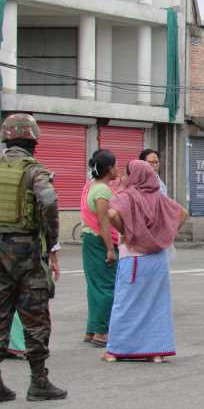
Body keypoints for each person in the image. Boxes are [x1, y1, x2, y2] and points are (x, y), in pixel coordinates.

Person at [0, 114, 67, 401]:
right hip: (26, 251)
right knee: (35, 315)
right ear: (33, 140)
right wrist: (51, 242)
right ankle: (38, 382)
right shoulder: (34, 171)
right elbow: (49, 201)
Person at [103, 160, 188, 363]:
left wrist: (126, 230)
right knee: (156, 306)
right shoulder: (158, 197)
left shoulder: (128, 196)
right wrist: (166, 234)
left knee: (125, 304)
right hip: (158, 260)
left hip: (133, 259)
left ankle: (116, 350)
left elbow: (112, 213)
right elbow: (182, 213)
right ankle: (156, 351)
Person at [81, 149, 120, 348]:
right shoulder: (103, 191)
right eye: (115, 165)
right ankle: (102, 332)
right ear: (108, 169)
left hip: (88, 239)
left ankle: (91, 329)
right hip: (99, 241)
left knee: (94, 287)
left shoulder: (90, 186)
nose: (118, 169)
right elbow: (104, 222)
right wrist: (110, 249)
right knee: (107, 287)